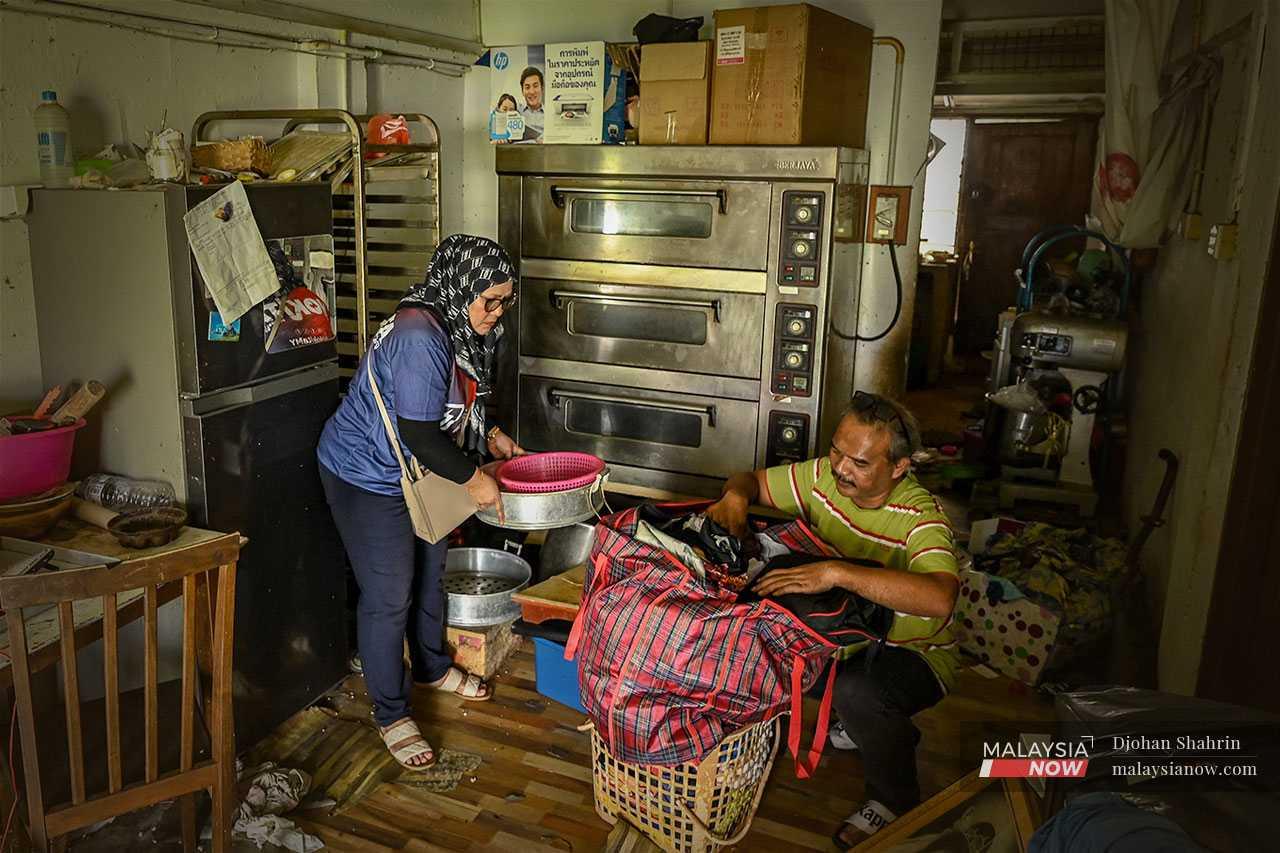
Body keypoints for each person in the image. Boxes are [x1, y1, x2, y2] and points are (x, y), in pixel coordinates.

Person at [705, 391, 960, 850]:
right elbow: (751, 480)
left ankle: (895, 798)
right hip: (846, 636)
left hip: (914, 653)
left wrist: (836, 571)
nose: (842, 468)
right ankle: (861, 723)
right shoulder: (824, 476)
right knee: (756, 638)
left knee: (856, 690)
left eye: (859, 463)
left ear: (898, 468)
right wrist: (735, 498)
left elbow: (941, 598)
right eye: (837, 451)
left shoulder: (921, 517)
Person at [317, 235, 524, 771]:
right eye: (491, 301)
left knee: (431, 570)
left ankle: (431, 666)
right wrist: (477, 479)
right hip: (367, 476)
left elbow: (453, 403)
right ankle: (390, 711)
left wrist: (492, 435)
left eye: (505, 301)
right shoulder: (418, 337)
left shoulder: (456, 325)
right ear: (461, 288)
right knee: (389, 594)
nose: (497, 314)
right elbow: (418, 432)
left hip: (418, 473)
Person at [518, 65, 544, 140]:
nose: (532, 92)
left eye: (535, 86)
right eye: (527, 87)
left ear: (542, 88)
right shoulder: (516, 112)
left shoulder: (551, 115)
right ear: (522, 91)